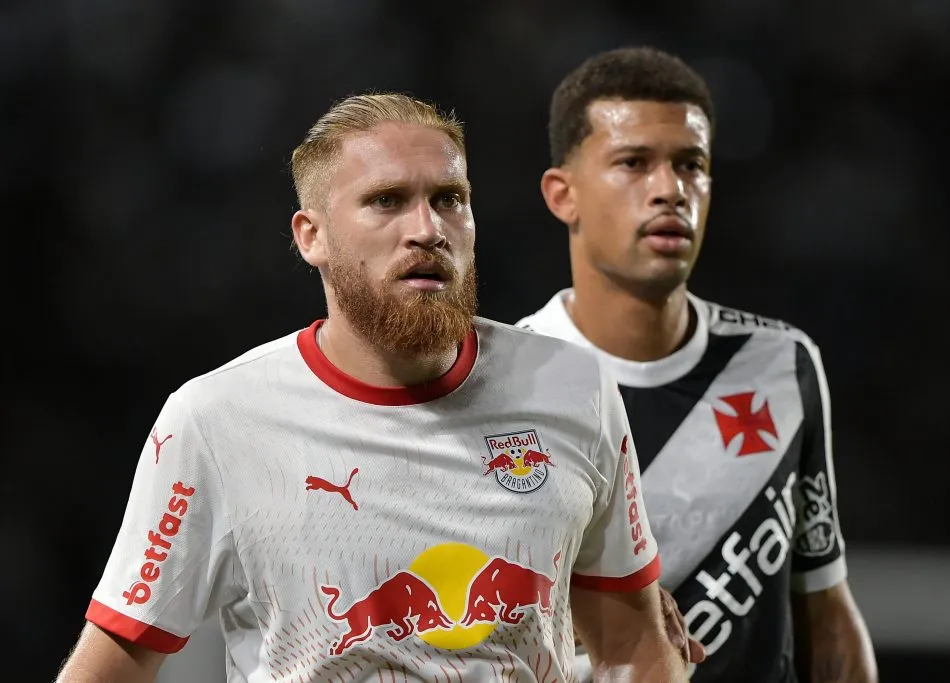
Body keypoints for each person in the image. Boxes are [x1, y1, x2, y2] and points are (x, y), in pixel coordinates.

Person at [54, 93, 690, 683]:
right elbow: (112, 665)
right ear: (313, 237)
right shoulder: (216, 422)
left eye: (449, 198)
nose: (427, 229)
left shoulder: (573, 388)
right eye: (387, 201)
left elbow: (633, 642)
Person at [516, 47, 879, 683]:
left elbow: (825, 604)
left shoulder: (780, 365)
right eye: (633, 163)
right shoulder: (508, 380)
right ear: (562, 194)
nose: (670, 190)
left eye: (692, 165)